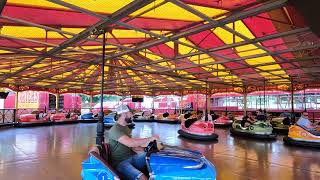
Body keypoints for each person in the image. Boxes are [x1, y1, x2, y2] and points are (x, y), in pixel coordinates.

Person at [108, 105, 160, 180]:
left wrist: (144, 149)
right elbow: (130, 143)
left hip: (131, 158)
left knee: (153, 156)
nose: (132, 115)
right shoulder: (115, 130)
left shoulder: (125, 127)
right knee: (143, 178)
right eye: (131, 113)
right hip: (120, 163)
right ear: (124, 114)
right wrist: (150, 138)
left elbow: (131, 146)